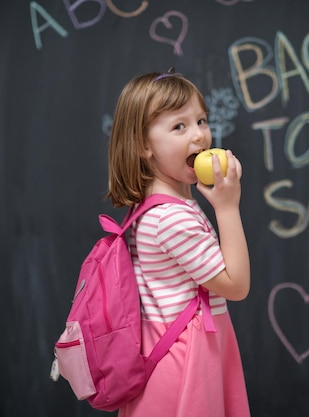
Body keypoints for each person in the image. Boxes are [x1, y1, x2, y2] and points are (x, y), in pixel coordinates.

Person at [106, 69, 251, 417]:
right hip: (184, 362)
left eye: (201, 120)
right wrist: (228, 207)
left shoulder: (161, 209)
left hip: (180, 351)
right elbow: (236, 286)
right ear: (144, 145)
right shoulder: (172, 219)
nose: (200, 136)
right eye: (179, 127)